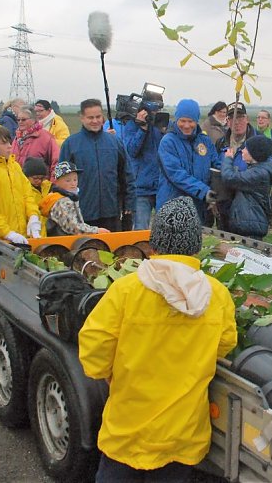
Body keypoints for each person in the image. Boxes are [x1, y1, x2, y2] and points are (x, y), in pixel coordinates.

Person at [78, 197, 237, 482]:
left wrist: (107, 375)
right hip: (183, 435)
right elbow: (224, 345)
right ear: (196, 248)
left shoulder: (126, 290)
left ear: (153, 246)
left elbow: (94, 346)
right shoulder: (217, 295)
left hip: (127, 431)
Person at [60, 99, 135, 232]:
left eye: (98, 117)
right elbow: (61, 180)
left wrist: (129, 204)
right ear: (82, 118)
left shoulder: (115, 142)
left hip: (111, 212)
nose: (95, 121)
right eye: (90, 117)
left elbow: (127, 175)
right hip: (82, 214)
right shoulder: (71, 144)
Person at [157, 99, 221, 224]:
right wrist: (203, 191)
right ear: (176, 120)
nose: (186, 125)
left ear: (196, 121)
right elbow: (176, 174)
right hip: (173, 207)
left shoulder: (205, 141)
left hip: (198, 208)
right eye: (182, 121)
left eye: (190, 121)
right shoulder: (168, 142)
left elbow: (216, 164)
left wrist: (232, 170)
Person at [0, 125, 41, 245]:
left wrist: (33, 216)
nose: (10, 146)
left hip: (21, 237)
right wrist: (7, 233)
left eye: (9, 142)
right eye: (3, 143)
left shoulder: (15, 166)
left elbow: (27, 195)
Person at [220, 135, 272, 239]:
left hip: (250, 225)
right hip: (251, 223)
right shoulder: (261, 168)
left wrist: (228, 159)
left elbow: (229, 178)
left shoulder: (259, 174)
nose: (243, 151)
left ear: (254, 154)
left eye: (246, 149)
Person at [214, 102, 256, 230]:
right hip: (224, 206)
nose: (237, 122)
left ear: (247, 119)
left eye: (240, 117)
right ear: (227, 121)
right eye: (232, 118)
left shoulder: (258, 142)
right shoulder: (221, 143)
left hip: (249, 207)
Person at [124, 102, 165, 230]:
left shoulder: (162, 123)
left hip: (161, 186)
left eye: (158, 110)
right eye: (153, 111)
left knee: (165, 229)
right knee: (140, 229)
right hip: (141, 188)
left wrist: (164, 132)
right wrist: (142, 128)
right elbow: (131, 151)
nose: (155, 113)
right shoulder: (132, 125)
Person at [40, 162, 108, 236]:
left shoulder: (70, 197)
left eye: (75, 179)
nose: (73, 183)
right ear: (57, 182)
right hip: (64, 241)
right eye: (68, 180)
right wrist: (96, 230)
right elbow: (72, 227)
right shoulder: (61, 201)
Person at [11, 107, 59, 179]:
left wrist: (52, 183)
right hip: (18, 183)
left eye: (23, 119)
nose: (20, 122)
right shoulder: (17, 138)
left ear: (33, 120)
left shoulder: (46, 138)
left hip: (39, 183)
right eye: (18, 119)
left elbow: (56, 162)